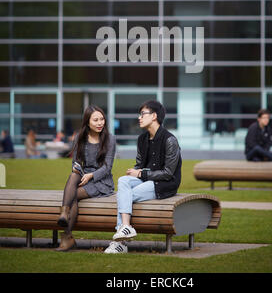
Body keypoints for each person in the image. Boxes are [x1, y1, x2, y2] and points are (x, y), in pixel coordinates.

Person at [104, 100, 182, 254]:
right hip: (146, 179)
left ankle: (121, 243)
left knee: (125, 195)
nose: (139, 118)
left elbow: (168, 173)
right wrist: (134, 171)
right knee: (123, 181)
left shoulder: (170, 140)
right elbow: (139, 164)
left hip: (164, 184)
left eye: (143, 114)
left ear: (154, 116)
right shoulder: (142, 139)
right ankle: (126, 227)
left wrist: (140, 173)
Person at [56, 105, 116, 252]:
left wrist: (91, 175)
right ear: (87, 122)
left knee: (73, 196)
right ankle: (64, 215)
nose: (100, 123)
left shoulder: (110, 139)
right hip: (83, 176)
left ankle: (67, 234)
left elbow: (107, 167)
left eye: (102, 119)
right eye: (95, 120)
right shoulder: (79, 138)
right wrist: (79, 170)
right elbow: (76, 162)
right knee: (73, 174)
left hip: (101, 181)